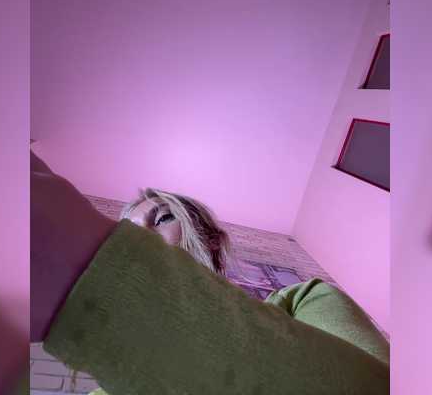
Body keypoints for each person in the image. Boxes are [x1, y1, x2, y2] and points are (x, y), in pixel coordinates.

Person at [31, 150, 390, 394]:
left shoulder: (305, 300)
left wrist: (96, 263)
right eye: (127, 231)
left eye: (162, 219)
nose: (138, 240)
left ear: (212, 239)